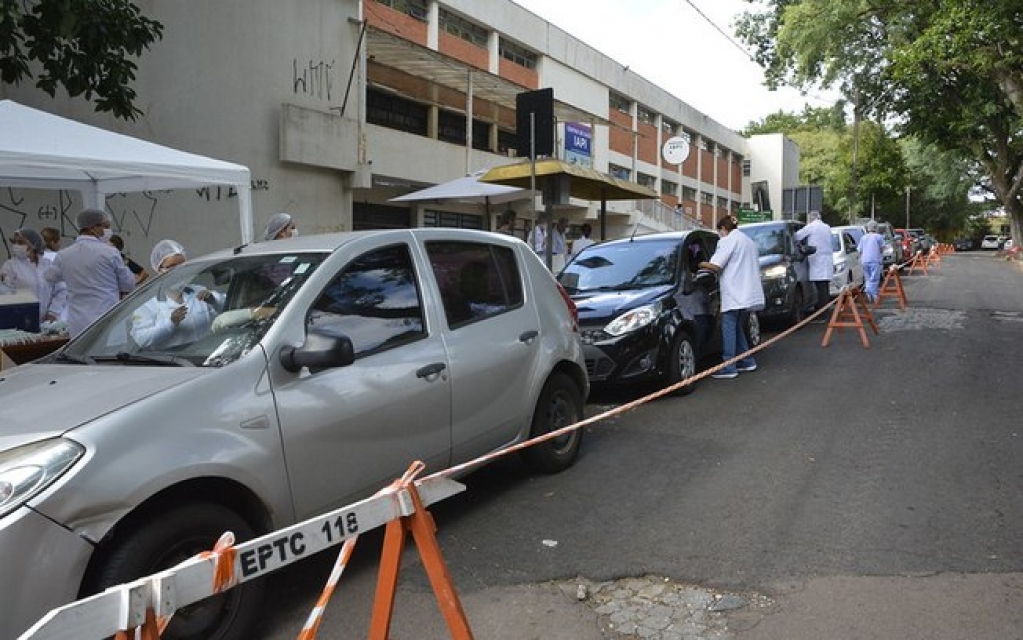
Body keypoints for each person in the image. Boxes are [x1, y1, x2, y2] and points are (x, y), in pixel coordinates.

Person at [45, 209, 135, 337]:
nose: (108, 231)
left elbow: (49, 277)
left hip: (78, 325)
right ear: (93, 227)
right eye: (106, 227)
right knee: (108, 355)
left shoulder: (64, 255)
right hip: (107, 319)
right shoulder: (110, 253)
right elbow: (128, 284)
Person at [699, 216, 765, 379]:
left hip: (734, 292)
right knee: (736, 327)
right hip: (747, 292)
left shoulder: (727, 241)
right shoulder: (748, 241)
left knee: (728, 327)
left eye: (719, 231)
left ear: (723, 229)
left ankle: (729, 366)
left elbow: (715, 265)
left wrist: (700, 264)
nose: (719, 234)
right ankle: (746, 360)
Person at [129, 239, 224, 349]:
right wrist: (170, 324)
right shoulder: (148, 304)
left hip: (206, 354)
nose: (179, 270)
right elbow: (142, 339)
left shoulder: (199, 291)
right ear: (159, 269)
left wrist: (214, 302)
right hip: (172, 362)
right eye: (172, 266)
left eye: (182, 265)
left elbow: (229, 308)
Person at [1, 228, 67, 325]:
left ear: (33, 244)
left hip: (48, 321)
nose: (16, 246)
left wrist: (53, 312)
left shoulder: (48, 264)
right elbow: (5, 292)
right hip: (21, 320)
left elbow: (62, 290)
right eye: (14, 242)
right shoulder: (10, 266)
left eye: (20, 242)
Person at [794, 210, 833, 313]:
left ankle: (821, 310)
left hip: (817, 259)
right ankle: (824, 309)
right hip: (827, 260)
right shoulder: (827, 227)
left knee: (820, 287)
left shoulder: (811, 226)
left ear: (811, 218)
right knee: (825, 287)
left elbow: (797, 236)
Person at [857, 220, 885, 302]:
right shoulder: (878, 237)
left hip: (865, 260)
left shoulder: (863, 237)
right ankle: (872, 293)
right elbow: (882, 248)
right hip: (875, 260)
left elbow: (859, 250)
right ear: (876, 228)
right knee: (874, 278)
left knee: (868, 278)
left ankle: (869, 294)